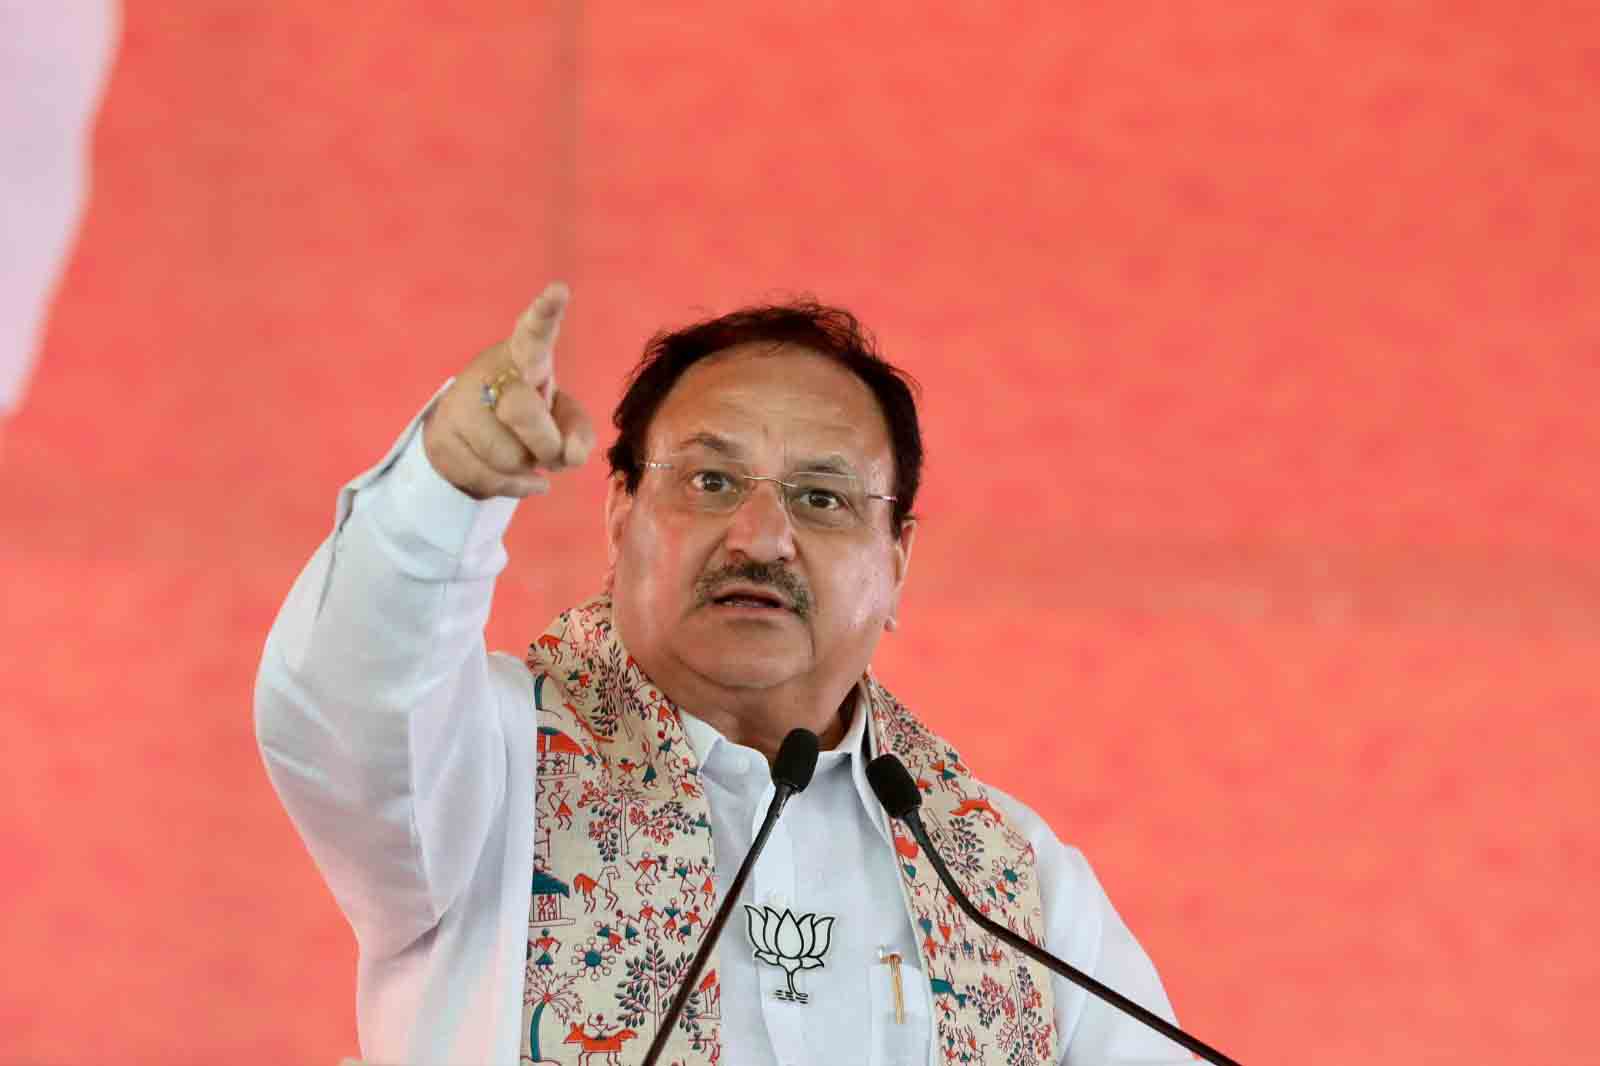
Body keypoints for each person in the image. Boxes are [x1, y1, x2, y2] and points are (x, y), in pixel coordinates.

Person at [255, 283, 1191, 1065]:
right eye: (709, 482)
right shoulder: (487, 763)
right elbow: (347, 708)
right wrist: (442, 489)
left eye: (822, 499)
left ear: (895, 563)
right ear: (620, 517)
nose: (762, 537)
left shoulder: (1007, 883)